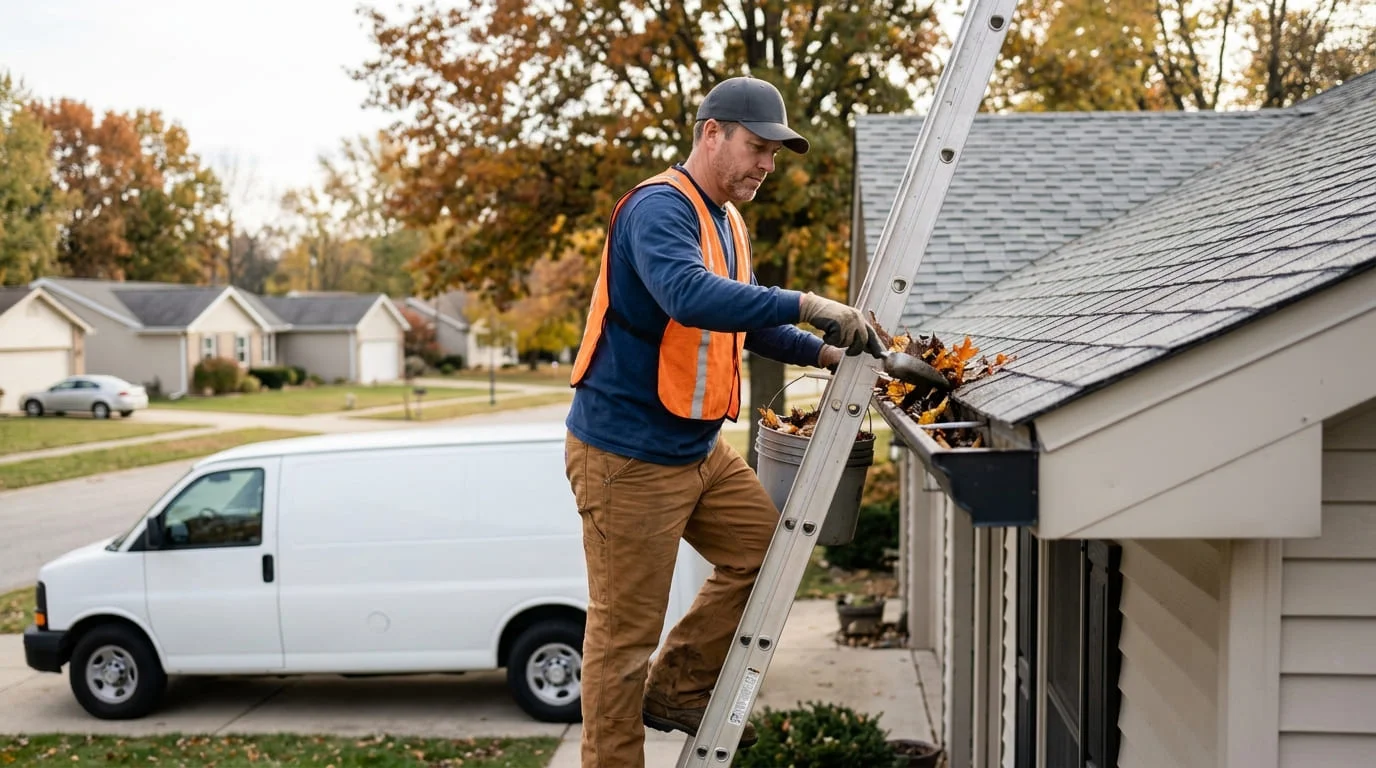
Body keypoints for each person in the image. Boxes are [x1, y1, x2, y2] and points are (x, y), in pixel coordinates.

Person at [564, 76, 873, 767]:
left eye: (773, 154)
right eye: (757, 147)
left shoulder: (727, 222)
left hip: (697, 450)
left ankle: (676, 688)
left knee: (771, 552)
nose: (766, 165)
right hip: (627, 458)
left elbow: (749, 320)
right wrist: (808, 302)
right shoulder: (658, 210)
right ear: (712, 134)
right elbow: (688, 295)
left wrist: (832, 354)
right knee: (621, 642)